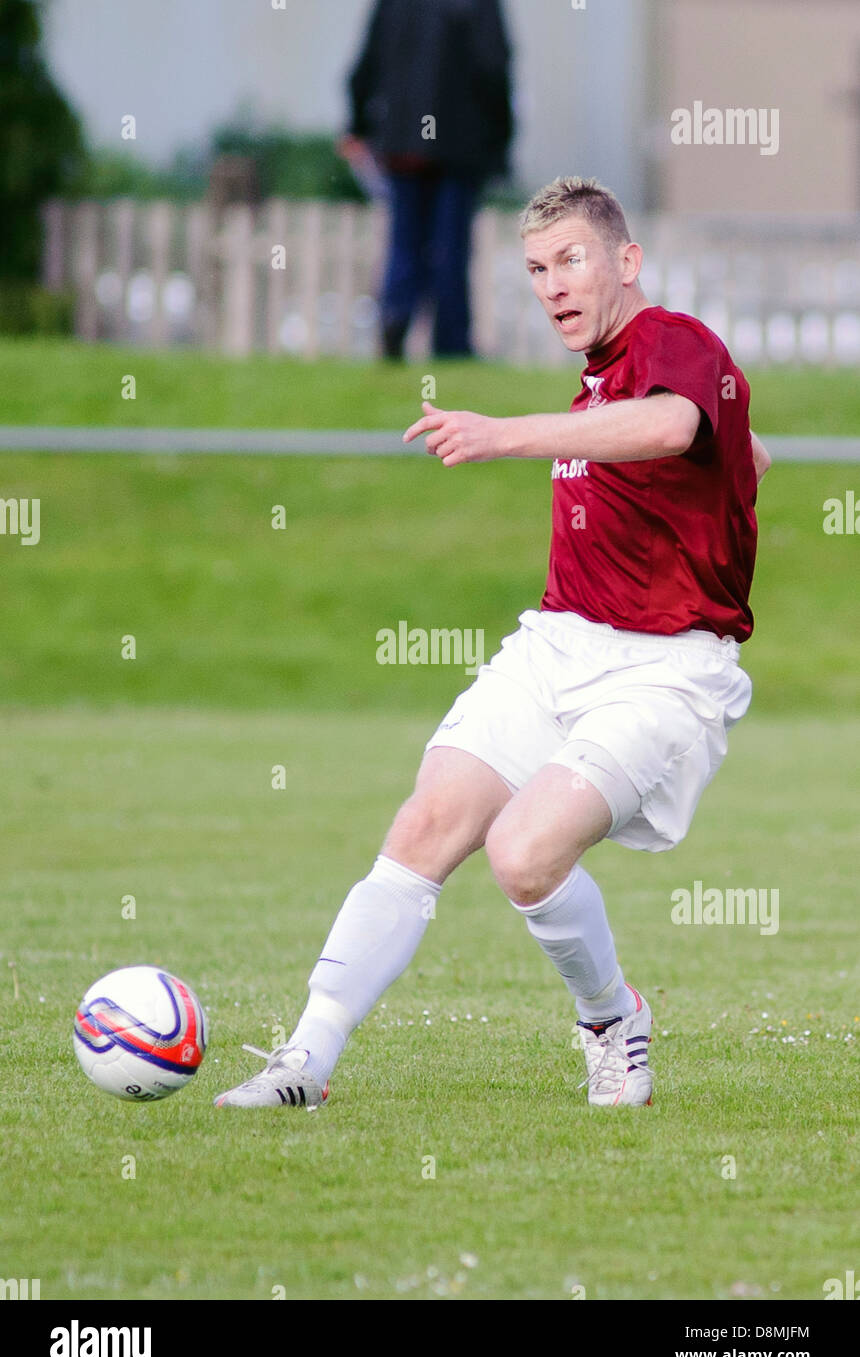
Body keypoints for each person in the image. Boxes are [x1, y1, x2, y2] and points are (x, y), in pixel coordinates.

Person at [215, 175, 771, 1113]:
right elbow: (724, 448)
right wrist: (741, 466)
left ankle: (612, 1019)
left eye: (573, 259)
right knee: (428, 822)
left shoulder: (676, 342)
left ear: (627, 261)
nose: (553, 284)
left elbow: (676, 422)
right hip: (558, 644)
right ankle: (304, 1060)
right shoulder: (604, 377)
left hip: (665, 672)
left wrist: (500, 432)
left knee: (523, 854)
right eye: (537, 268)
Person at [338, 0, 513, 359]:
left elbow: (367, 63)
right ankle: (450, 341)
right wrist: (501, 135)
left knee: (404, 239)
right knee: (451, 247)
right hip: (459, 143)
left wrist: (359, 123)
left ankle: (395, 313)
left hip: (402, 140)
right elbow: (494, 67)